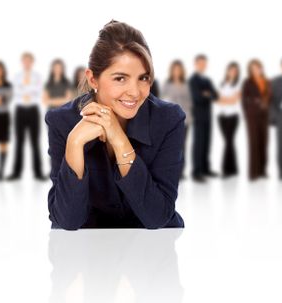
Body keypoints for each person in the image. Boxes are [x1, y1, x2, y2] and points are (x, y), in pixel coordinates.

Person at [45, 20, 185, 230]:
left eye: (143, 78)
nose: (135, 92)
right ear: (93, 79)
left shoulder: (168, 120)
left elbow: (157, 217)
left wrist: (119, 139)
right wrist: (74, 143)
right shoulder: (62, 121)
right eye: (120, 78)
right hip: (86, 249)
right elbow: (67, 221)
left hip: (151, 248)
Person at [7, 52, 47, 181]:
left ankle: (38, 172)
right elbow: (15, 91)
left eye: (29, 60)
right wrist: (29, 90)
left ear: (32, 62)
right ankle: (16, 172)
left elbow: (38, 91)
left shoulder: (37, 76)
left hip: (33, 110)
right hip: (20, 110)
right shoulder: (17, 76)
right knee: (19, 142)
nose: (27, 63)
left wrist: (25, 89)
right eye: (25, 60)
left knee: (35, 142)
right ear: (22, 62)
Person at [188, 54, 219, 183]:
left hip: (208, 116)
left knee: (207, 142)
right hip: (198, 116)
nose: (203, 66)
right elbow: (197, 98)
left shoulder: (207, 80)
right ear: (196, 64)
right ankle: (196, 172)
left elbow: (216, 96)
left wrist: (207, 94)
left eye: (204, 63)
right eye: (200, 63)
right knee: (198, 143)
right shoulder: (192, 80)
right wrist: (207, 94)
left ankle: (206, 169)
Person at [162, 59, 192, 179]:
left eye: (179, 69)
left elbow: (190, 102)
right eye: (175, 69)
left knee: (183, 145)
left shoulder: (186, 84)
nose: (177, 71)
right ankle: (171, 170)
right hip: (172, 120)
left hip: (186, 118)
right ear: (172, 71)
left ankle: (181, 171)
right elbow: (162, 100)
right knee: (172, 146)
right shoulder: (167, 84)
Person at [242, 59, 271, 181]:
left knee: (264, 142)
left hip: (265, 115)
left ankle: (262, 171)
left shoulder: (267, 81)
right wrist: (249, 112)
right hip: (252, 116)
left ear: (261, 68)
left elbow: (270, 97)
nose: (256, 70)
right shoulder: (247, 82)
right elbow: (244, 100)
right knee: (253, 142)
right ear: (250, 70)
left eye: (257, 67)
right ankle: (253, 172)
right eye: (253, 68)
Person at [216, 62, 242, 178]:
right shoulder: (222, 84)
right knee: (229, 142)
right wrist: (225, 99)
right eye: (231, 70)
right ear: (227, 71)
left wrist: (224, 99)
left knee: (228, 141)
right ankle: (233, 168)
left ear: (237, 73)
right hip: (221, 117)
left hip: (233, 117)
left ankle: (226, 170)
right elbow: (216, 100)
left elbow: (234, 100)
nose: (232, 72)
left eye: (235, 71)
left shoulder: (239, 85)